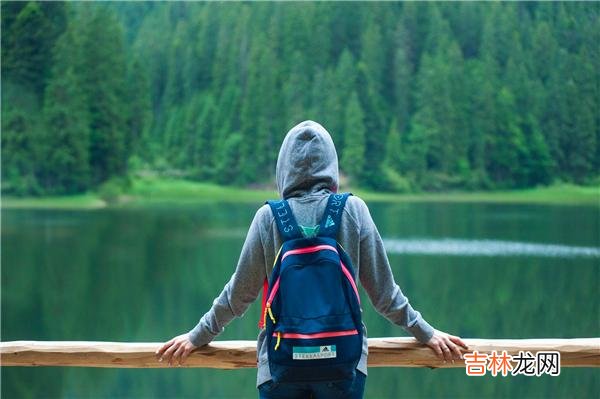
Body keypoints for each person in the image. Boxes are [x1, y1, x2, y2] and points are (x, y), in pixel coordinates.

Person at [156, 120, 468, 398]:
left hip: (281, 367)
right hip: (342, 366)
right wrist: (427, 333)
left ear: (283, 168)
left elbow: (238, 296)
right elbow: (385, 296)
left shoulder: (268, 217)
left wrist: (197, 336)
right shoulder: (353, 210)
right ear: (331, 164)